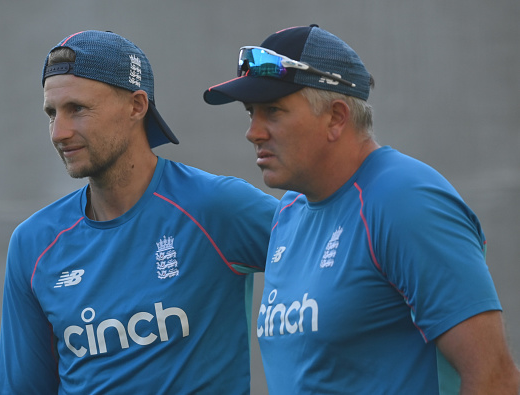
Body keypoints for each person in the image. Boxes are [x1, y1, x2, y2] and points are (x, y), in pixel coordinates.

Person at [203, 24, 520, 394]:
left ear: (336, 117)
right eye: (250, 112)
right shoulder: (290, 210)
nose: (253, 132)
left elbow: (495, 378)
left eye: (273, 110)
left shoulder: (405, 200)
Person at [0, 30, 278, 394]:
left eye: (77, 109)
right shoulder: (33, 243)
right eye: (52, 113)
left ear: (136, 106)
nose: (58, 132)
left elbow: (336, 265)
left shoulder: (216, 207)